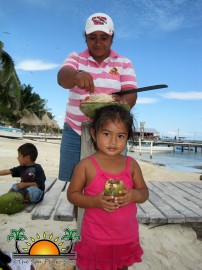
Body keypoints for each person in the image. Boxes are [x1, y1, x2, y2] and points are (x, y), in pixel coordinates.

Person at [57, 12, 138, 182]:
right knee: (74, 183)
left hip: (111, 132)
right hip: (75, 130)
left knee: (110, 180)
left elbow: (131, 93)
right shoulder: (76, 58)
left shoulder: (124, 63)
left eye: (104, 37)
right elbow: (62, 77)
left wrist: (122, 103)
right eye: (92, 37)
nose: (98, 42)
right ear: (85, 38)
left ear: (112, 38)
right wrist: (77, 74)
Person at [67, 104, 149, 270]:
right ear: (94, 134)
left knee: (122, 266)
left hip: (126, 236)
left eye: (120, 136)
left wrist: (133, 195)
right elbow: (72, 195)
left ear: (127, 138)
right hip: (96, 237)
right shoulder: (85, 166)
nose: (113, 141)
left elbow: (144, 193)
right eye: (106, 134)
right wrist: (95, 202)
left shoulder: (131, 165)